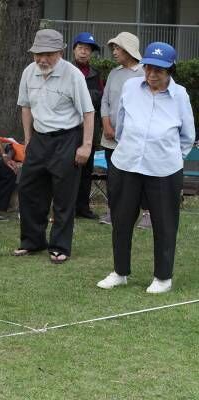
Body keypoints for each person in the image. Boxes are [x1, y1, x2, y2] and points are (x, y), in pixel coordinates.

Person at [97, 42, 194, 294]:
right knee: (121, 220)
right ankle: (120, 272)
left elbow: (187, 137)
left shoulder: (181, 95)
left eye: (158, 70)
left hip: (164, 170)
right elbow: (121, 125)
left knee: (164, 224)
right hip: (126, 164)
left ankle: (163, 277)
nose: (152, 74)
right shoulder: (130, 87)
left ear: (170, 70)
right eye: (148, 68)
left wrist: (167, 155)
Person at [14, 29, 95, 264]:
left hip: (67, 138)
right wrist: (28, 140)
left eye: (47, 54)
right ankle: (32, 241)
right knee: (28, 189)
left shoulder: (73, 75)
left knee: (63, 195)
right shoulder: (29, 72)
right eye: (37, 54)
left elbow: (88, 112)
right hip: (39, 139)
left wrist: (86, 146)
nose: (42, 59)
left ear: (60, 52)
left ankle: (60, 246)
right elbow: (26, 107)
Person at [99, 32, 145, 226]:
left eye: (118, 48)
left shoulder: (144, 72)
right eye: (114, 48)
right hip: (111, 138)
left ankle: (147, 215)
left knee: (139, 176)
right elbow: (105, 100)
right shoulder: (114, 73)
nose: (114, 52)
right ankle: (113, 212)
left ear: (128, 50)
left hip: (135, 139)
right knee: (114, 177)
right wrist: (106, 124)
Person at [71, 32, 103, 220]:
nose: (84, 52)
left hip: (89, 131)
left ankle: (83, 207)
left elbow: (99, 99)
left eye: (88, 50)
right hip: (69, 129)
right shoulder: (66, 70)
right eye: (81, 48)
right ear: (74, 49)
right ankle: (67, 207)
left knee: (86, 171)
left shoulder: (95, 75)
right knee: (68, 170)